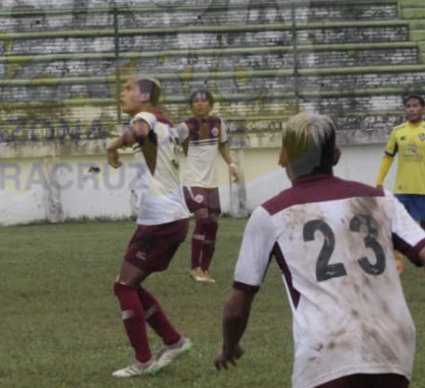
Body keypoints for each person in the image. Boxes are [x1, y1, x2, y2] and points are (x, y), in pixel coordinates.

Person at [216, 112, 425, 388]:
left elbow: (238, 305)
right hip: (392, 342)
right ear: (336, 155)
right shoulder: (380, 200)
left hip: (327, 348)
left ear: (285, 157)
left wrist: (229, 347)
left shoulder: (270, 214)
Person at [105, 75, 193, 377]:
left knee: (123, 285)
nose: (123, 93)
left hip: (160, 218)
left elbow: (139, 131)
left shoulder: (144, 118)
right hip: (170, 217)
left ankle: (143, 360)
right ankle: (173, 341)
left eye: (129, 89)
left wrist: (112, 146)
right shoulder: (165, 123)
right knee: (130, 283)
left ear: (144, 97)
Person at [178, 88, 239, 283]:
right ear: (191, 105)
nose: (200, 103)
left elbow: (222, 146)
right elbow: (177, 148)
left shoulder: (218, 123)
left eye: (204, 100)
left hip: (212, 183)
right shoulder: (185, 127)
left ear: (210, 104)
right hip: (192, 181)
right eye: (196, 100)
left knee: (213, 223)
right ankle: (194, 268)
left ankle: (205, 269)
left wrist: (231, 164)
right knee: (202, 219)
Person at [376, 94, 425, 274]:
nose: (411, 109)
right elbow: (387, 157)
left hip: (423, 187)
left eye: (415, 106)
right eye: (408, 106)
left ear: (422, 109)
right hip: (403, 188)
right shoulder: (398, 131)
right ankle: (397, 263)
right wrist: (379, 181)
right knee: (397, 226)